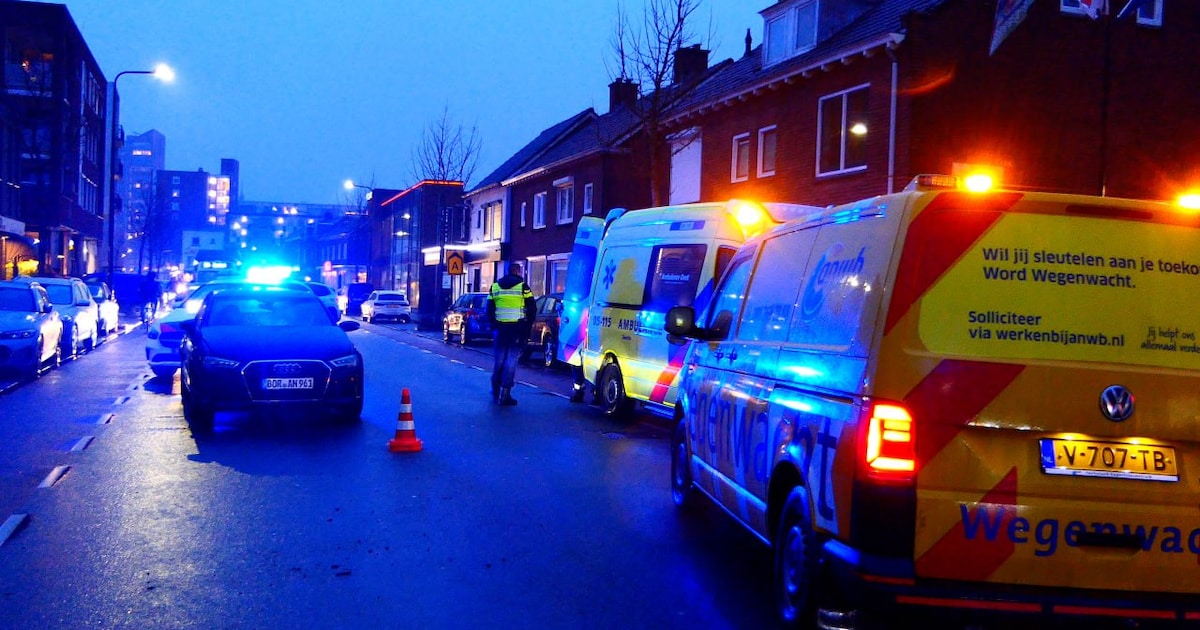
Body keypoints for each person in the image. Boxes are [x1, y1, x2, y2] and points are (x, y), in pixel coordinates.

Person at [486, 262, 535, 406]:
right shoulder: (523, 287)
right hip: (516, 330)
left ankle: (495, 388)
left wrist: (494, 324)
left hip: (500, 330)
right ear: (518, 272)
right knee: (511, 361)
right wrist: (527, 326)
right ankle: (505, 393)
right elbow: (532, 308)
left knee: (499, 359)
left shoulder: (495, 286)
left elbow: (489, 309)